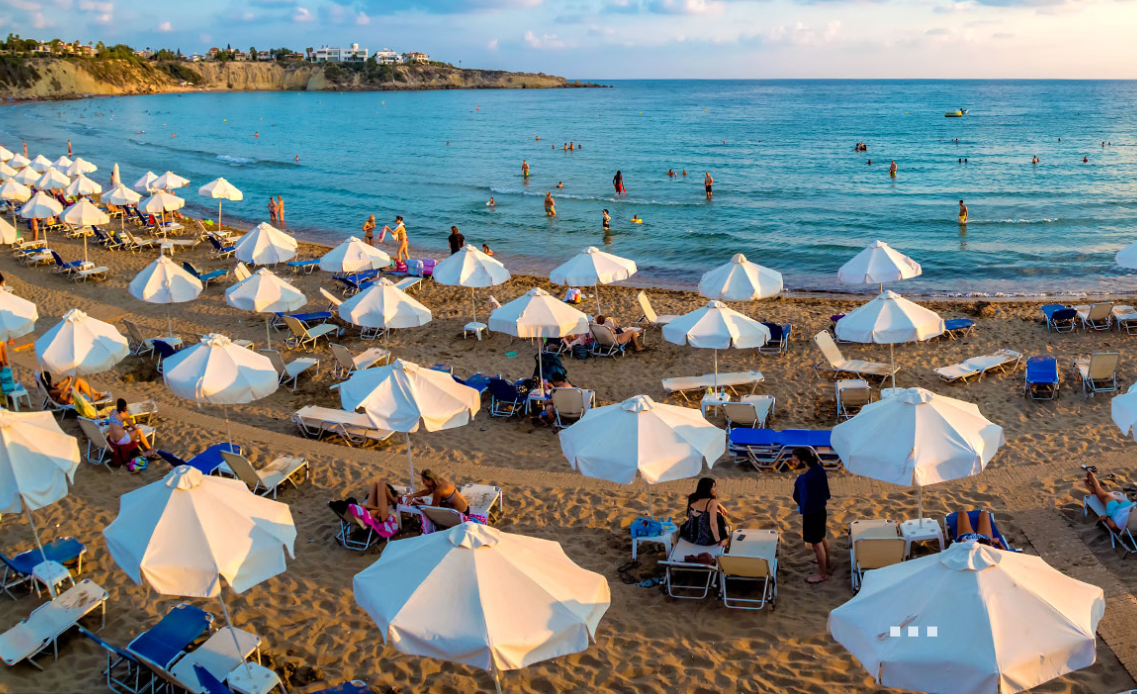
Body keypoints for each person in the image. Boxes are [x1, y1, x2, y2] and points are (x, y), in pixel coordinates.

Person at [792, 448, 831, 584]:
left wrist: (799, 482)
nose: (793, 462)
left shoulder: (803, 479)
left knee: (816, 544)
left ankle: (823, 575)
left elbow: (798, 498)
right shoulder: (819, 469)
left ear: (803, 461)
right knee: (822, 537)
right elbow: (827, 493)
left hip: (811, 513)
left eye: (795, 460)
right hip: (821, 510)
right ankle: (827, 563)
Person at [679, 478, 729, 546]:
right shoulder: (711, 502)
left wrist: (718, 505)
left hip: (690, 536)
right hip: (705, 539)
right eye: (713, 487)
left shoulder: (692, 498)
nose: (715, 489)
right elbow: (713, 524)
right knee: (719, 516)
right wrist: (718, 540)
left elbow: (690, 513)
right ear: (707, 488)